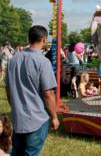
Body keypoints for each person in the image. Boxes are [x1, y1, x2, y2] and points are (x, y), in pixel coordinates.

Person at [5, 25, 59, 155]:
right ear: (44, 40)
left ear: (29, 39)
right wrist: (54, 116)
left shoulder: (13, 60)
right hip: (37, 119)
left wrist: (16, 107)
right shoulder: (43, 62)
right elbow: (48, 93)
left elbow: (8, 90)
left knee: (17, 152)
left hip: (18, 118)